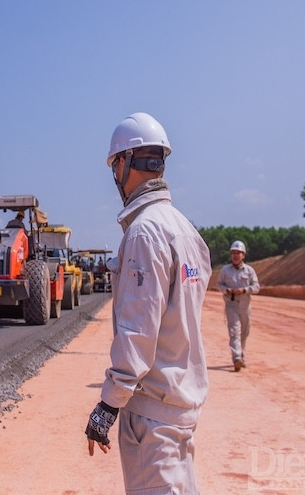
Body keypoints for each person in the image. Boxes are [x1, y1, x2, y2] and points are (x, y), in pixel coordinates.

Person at [85, 112, 212, 494]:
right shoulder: (185, 230)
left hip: (153, 418)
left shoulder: (144, 232)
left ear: (123, 163)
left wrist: (108, 406)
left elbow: (138, 332)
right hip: (180, 409)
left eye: (114, 166)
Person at [217, 240, 260, 372]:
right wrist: (226, 290)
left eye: (238, 253)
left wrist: (245, 290)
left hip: (245, 306)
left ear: (243, 255)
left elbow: (256, 287)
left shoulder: (250, 270)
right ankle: (236, 358)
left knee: (244, 333)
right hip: (231, 306)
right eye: (233, 253)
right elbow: (219, 285)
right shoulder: (225, 270)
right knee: (234, 331)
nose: (235, 255)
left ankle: (241, 356)